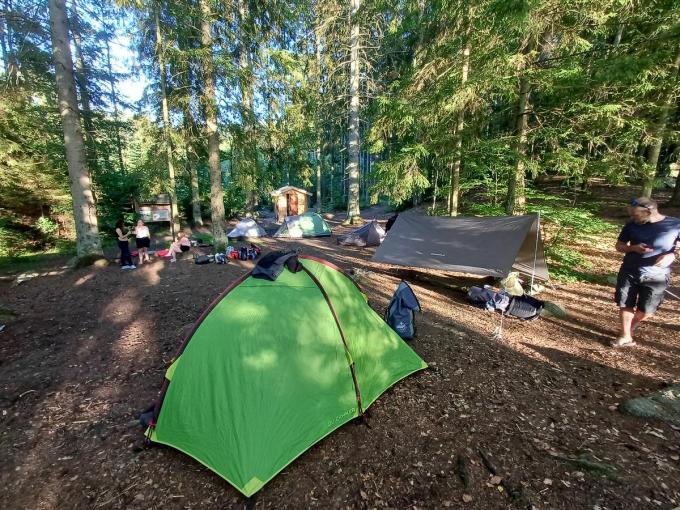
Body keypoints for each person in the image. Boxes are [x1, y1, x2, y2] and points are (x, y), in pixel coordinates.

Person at [613, 197, 680, 347]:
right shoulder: (631, 225)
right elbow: (619, 245)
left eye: (635, 215)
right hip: (630, 270)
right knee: (625, 303)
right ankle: (625, 335)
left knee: (647, 310)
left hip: (656, 275)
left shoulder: (675, 224)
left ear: (648, 211)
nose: (632, 218)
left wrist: (671, 255)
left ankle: (629, 327)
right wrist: (633, 248)